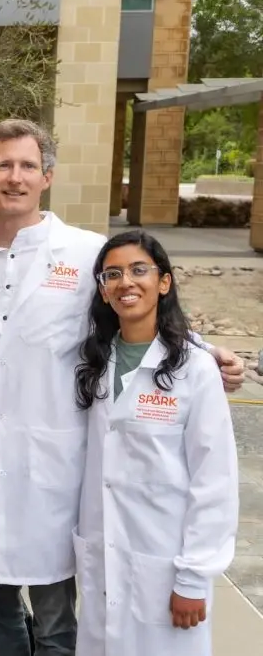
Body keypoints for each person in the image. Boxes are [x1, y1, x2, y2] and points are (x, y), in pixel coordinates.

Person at [0, 118, 245, 656]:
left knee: (56, 622)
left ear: (47, 177)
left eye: (27, 166)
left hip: (54, 475)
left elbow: (134, 306)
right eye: (4, 165)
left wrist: (204, 351)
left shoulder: (86, 251)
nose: (14, 177)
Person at [72, 230, 239, 656]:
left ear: (164, 282)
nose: (126, 282)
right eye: (113, 274)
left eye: (138, 270)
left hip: (166, 568)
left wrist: (194, 577)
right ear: (103, 291)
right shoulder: (95, 361)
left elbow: (215, 483)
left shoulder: (195, 370)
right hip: (105, 560)